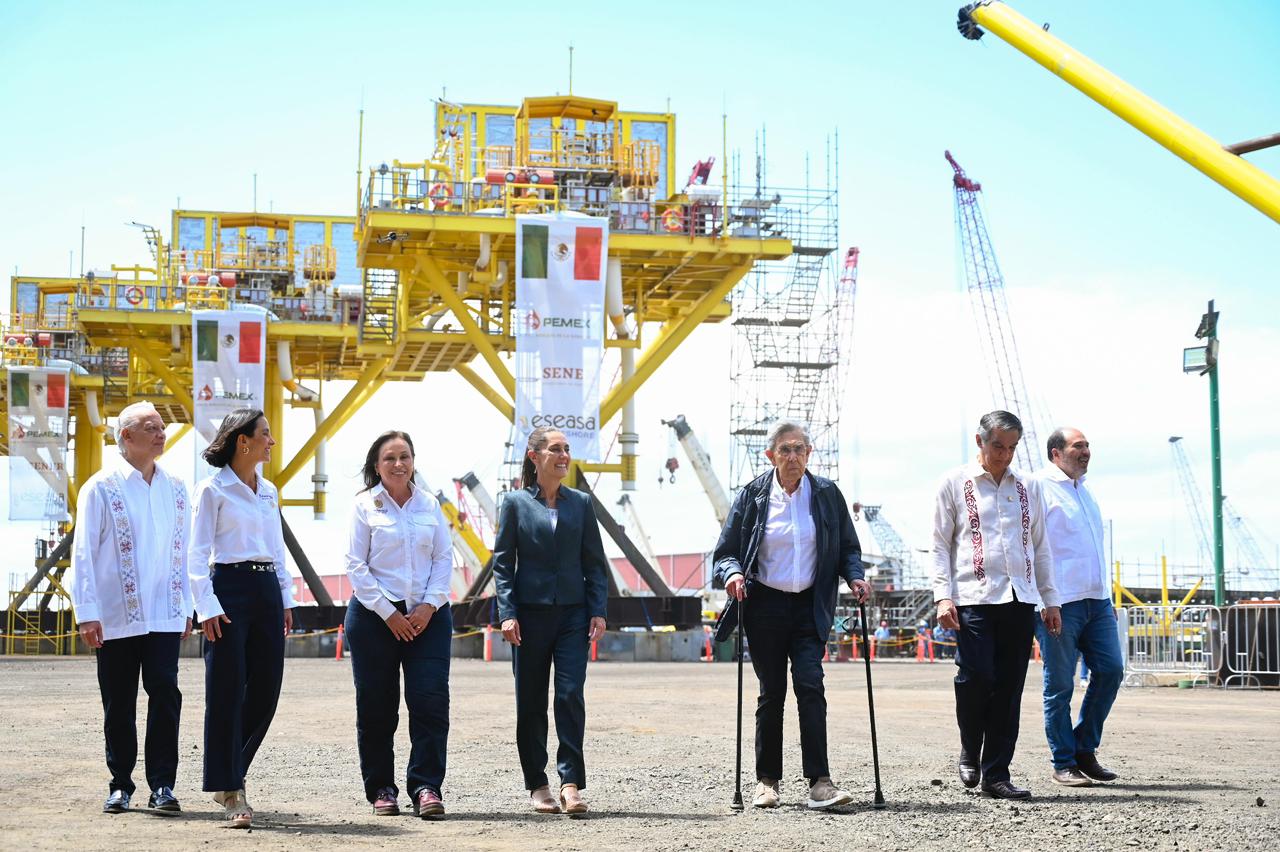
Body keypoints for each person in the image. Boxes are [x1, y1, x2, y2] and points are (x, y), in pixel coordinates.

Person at [712, 421, 871, 810]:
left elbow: (848, 548)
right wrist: (733, 574)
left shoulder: (827, 494)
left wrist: (855, 577)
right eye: (785, 450)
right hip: (764, 604)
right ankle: (767, 781)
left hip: (809, 605)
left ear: (809, 454)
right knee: (772, 692)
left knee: (810, 684)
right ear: (771, 456)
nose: (793, 456)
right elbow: (726, 551)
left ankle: (820, 781)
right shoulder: (753, 495)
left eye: (800, 449)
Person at [69, 402, 192, 816]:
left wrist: (187, 605)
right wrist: (86, 610)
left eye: (161, 427)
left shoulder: (177, 487)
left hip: (164, 613)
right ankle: (120, 783)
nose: (160, 433)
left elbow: (186, 551)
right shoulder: (100, 487)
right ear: (125, 436)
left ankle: (163, 785)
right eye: (150, 427)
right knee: (118, 701)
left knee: (165, 694)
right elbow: (83, 553)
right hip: (115, 617)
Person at [932, 410, 1061, 800]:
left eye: (1011, 448)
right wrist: (942, 596)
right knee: (976, 679)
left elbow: (1040, 546)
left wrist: (1050, 599)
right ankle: (970, 747)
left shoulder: (1028, 487)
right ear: (980, 442)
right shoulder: (954, 483)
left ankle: (996, 773)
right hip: (974, 598)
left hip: (1020, 599)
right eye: (997, 446)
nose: (1004, 455)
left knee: (1009, 688)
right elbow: (940, 544)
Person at [492, 426, 610, 815]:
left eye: (567, 449)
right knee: (530, 702)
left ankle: (571, 781)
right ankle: (537, 783)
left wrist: (598, 609)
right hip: (528, 617)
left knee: (570, 695)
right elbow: (503, 565)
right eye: (555, 449)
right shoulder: (514, 504)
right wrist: (507, 614)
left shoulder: (581, 503)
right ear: (534, 456)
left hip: (573, 616)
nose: (563, 456)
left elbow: (595, 562)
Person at [188, 408, 296, 828]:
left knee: (266, 689)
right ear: (243, 440)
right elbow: (195, 555)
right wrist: (206, 606)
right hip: (227, 591)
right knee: (226, 690)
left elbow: (277, 548)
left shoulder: (268, 490)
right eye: (265, 434)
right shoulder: (211, 490)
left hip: (267, 589)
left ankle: (231, 770)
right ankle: (231, 787)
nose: (271, 441)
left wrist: (285, 598)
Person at [344, 431, 453, 818]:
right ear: (376, 465)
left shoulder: (429, 504)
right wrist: (388, 614)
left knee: (430, 701)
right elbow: (356, 566)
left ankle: (426, 787)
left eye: (404, 456)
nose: (398, 464)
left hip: (428, 617)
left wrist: (428, 606)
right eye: (389, 458)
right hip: (375, 617)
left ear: (413, 461)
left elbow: (443, 559)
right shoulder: (363, 505)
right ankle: (382, 789)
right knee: (377, 706)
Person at [1032, 428, 1123, 787]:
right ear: (1056, 453)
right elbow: (1033, 547)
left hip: (1097, 601)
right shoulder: (1039, 488)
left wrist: (1108, 596)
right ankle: (1063, 762)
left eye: (1087, 446)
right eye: (1078, 446)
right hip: (1060, 603)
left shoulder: (1086, 494)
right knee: (1060, 685)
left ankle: (1085, 749)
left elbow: (1095, 551)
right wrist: (1044, 600)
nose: (1086, 452)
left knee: (1112, 671)